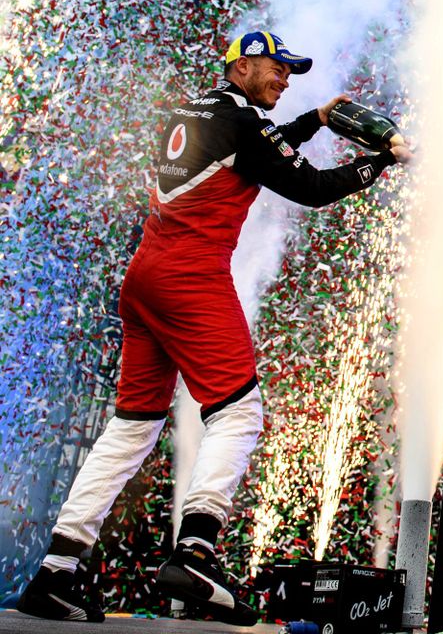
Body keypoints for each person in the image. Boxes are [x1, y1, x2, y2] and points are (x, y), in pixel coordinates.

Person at [17, 31, 411, 625]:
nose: (284, 78)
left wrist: (314, 119)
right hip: (190, 279)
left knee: (131, 428)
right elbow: (310, 187)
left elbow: (257, 146)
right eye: (277, 68)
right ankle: (196, 551)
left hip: (145, 277)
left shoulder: (193, 108)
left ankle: (55, 573)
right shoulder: (244, 124)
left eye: (291, 72)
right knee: (238, 413)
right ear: (243, 64)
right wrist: (378, 162)